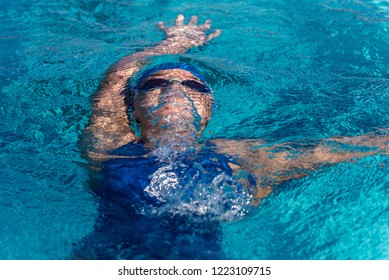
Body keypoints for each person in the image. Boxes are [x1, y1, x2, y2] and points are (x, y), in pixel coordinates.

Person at [78, 15, 389, 259]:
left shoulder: (235, 152)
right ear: (133, 107)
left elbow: (328, 151)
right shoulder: (112, 145)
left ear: (209, 109)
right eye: (155, 83)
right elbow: (117, 78)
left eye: (194, 86)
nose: (174, 90)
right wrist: (169, 46)